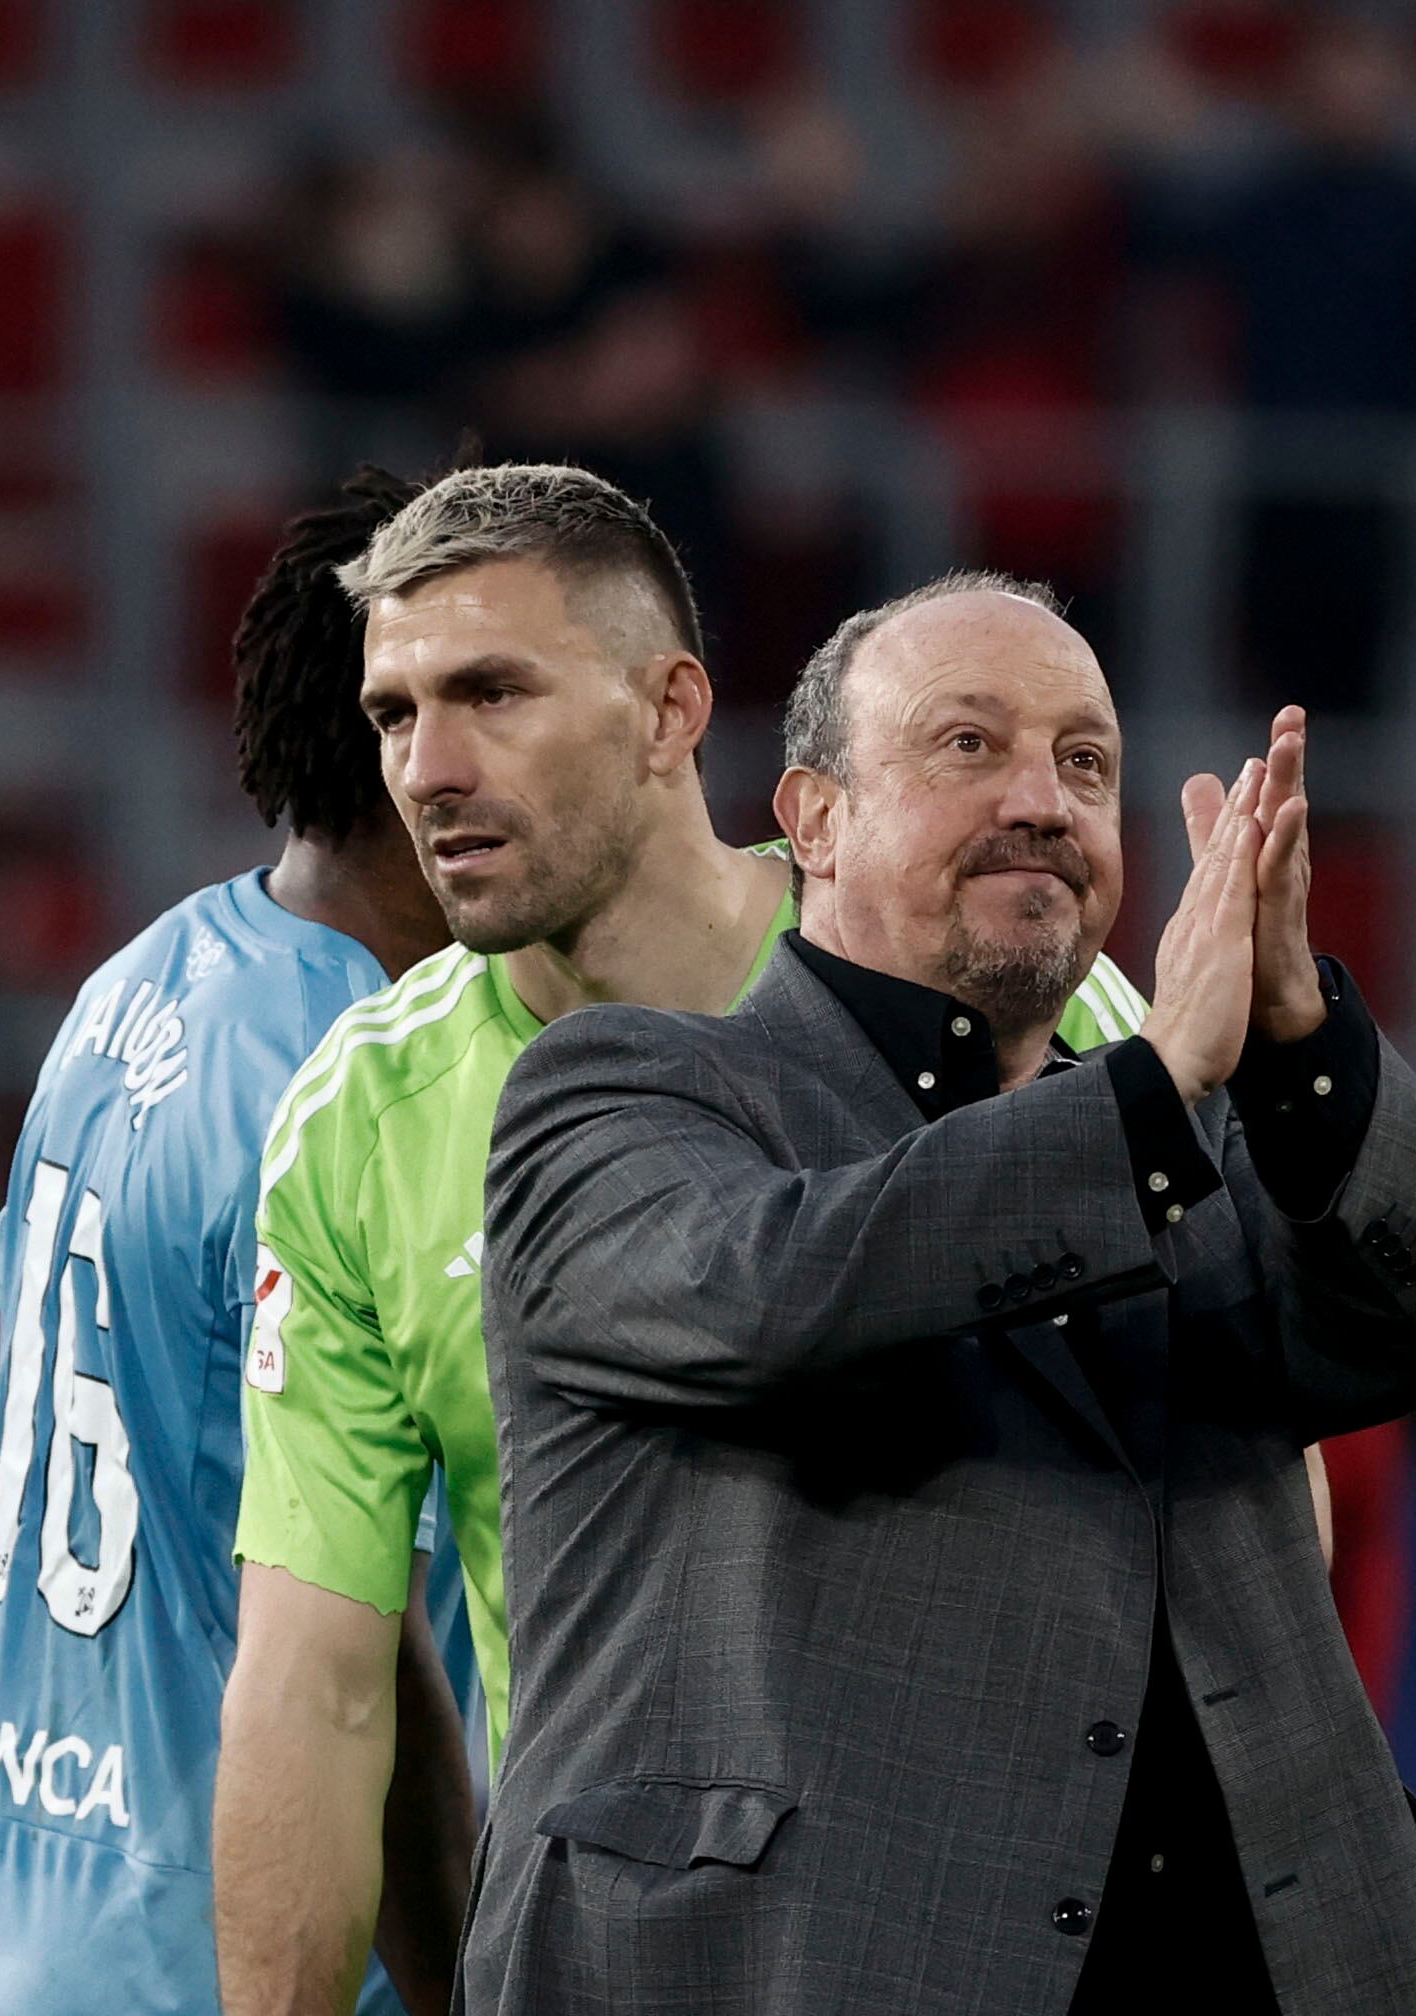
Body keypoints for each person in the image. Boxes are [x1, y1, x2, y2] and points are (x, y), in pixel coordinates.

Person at [463, 579, 1416, 2015]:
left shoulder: (1193, 1138)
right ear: (814, 818)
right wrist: (1153, 1097)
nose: (1042, 799)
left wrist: (1301, 1043)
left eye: (1085, 763)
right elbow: (783, 1290)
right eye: (970, 745)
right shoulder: (624, 1099)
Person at [210, 470, 1152, 2014]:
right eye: (394, 715)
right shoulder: (363, 1119)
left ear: (670, 713)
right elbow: (317, 1688)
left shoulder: (1012, 1008)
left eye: (493, 692)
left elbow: (1243, 1502)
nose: (430, 769)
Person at [0, 471, 480, 2015]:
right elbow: (377, 1665)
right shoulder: (376, 1083)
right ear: (401, 735)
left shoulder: (141, 978)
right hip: (218, 1969)